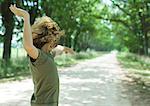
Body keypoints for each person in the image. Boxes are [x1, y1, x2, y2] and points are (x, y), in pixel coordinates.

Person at [9, 4, 64, 106]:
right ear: (48, 38)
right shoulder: (40, 57)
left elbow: (58, 49)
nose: (55, 42)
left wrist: (65, 49)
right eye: (54, 39)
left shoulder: (49, 55)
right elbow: (28, 46)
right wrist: (26, 16)